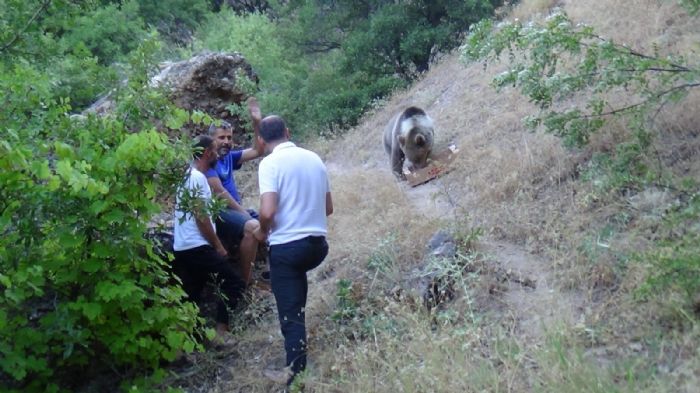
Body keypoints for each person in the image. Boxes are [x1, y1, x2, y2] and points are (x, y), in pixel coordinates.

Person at [253, 115, 334, 386]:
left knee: (290, 315)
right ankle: (297, 365)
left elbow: (267, 211)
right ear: (288, 132)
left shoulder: (269, 163)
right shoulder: (314, 158)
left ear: (262, 141)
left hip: (288, 248)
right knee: (295, 297)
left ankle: (295, 377)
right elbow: (329, 208)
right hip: (317, 245)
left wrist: (262, 231)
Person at [173, 135, 246, 339]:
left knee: (192, 295)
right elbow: (201, 216)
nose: (217, 154)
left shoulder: (186, 176)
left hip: (183, 246)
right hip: (197, 246)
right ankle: (221, 334)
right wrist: (218, 245)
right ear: (207, 153)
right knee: (234, 283)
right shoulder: (197, 177)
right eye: (214, 150)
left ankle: (182, 346)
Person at [206, 97, 264, 286]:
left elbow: (257, 150)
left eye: (229, 138)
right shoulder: (207, 161)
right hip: (217, 212)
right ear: (211, 140)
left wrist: (257, 123)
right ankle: (244, 283)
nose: (226, 141)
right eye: (221, 138)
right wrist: (243, 213)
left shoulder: (229, 157)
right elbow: (219, 191)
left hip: (234, 211)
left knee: (271, 220)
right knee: (253, 226)